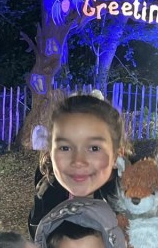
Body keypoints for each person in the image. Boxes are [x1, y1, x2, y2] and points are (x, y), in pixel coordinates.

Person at [28, 93, 128, 240]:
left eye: (94, 148)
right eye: (65, 148)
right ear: (50, 151)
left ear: (117, 155)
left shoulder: (137, 207)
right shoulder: (47, 195)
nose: (78, 161)